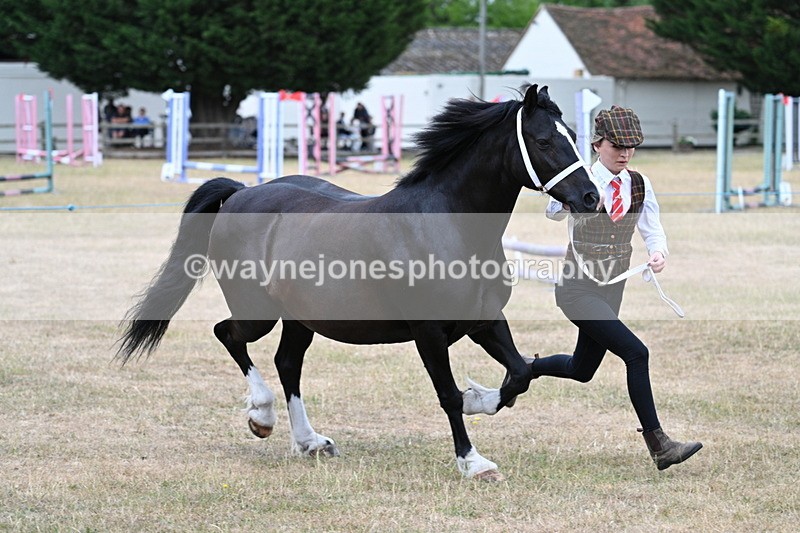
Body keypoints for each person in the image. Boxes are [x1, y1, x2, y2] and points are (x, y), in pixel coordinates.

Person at [534, 105, 702, 471]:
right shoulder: (580, 179)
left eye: (631, 147)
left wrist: (658, 252)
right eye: (616, 146)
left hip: (613, 288)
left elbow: (652, 226)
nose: (624, 154)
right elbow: (552, 211)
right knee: (636, 353)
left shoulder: (639, 183)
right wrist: (567, 195)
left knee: (582, 369)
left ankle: (526, 368)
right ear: (597, 145)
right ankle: (660, 446)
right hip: (577, 290)